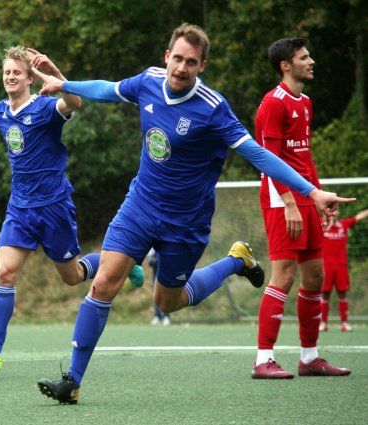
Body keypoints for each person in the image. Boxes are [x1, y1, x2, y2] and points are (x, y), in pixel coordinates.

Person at [32, 23, 354, 403]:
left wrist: (311, 191)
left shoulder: (213, 109)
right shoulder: (148, 81)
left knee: (167, 302)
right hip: (140, 206)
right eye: (178, 58)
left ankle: (236, 261)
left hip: (186, 222)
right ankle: (72, 381)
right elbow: (107, 89)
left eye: (192, 62)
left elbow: (260, 155)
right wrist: (66, 85)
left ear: (202, 66)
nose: (182, 68)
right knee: (103, 284)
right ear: (167, 57)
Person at [0, 46, 144, 374]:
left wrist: (55, 71)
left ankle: (118, 257)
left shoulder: (45, 108)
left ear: (30, 78)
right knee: (5, 272)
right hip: (20, 209)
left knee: (72, 277)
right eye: (6, 72)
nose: (11, 77)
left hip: (54, 207)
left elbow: (74, 102)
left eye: (17, 72)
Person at [252, 38, 351, 379]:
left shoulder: (305, 102)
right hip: (282, 201)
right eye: (303, 57)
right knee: (285, 274)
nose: (311, 61)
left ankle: (309, 358)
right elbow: (270, 160)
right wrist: (291, 202)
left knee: (315, 276)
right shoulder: (272, 104)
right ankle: (263, 359)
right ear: (285, 65)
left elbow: (303, 156)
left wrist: (320, 197)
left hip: (307, 199)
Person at [320, 209, 368, 332]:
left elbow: (358, 216)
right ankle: (323, 323)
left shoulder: (344, 225)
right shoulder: (321, 225)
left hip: (341, 266)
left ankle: (344, 323)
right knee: (325, 294)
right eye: (331, 211)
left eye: (336, 211)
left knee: (342, 293)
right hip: (326, 266)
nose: (334, 213)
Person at [148, 248, 171, 325]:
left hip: (167, 275)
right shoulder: (153, 248)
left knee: (167, 295)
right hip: (156, 277)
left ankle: (166, 316)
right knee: (157, 296)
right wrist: (160, 260)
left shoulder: (169, 246)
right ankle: (157, 316)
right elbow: (150, 262)